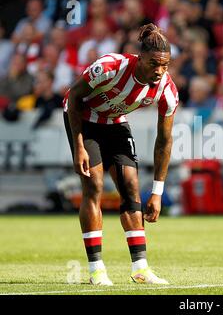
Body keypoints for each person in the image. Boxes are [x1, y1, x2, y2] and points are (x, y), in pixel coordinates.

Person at [63, 23, 178, 286]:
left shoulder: (167, 91)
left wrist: (158, 193)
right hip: (83, 119)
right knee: (94, 185)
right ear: (140, 58)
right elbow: (73, 98)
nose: (159, 71)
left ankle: (141, 269)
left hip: (115, 122)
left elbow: (164, 141)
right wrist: (79, 144)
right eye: (153, 64)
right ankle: (96, 270)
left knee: (131, 189)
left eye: (165, 65)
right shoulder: (109, 67)